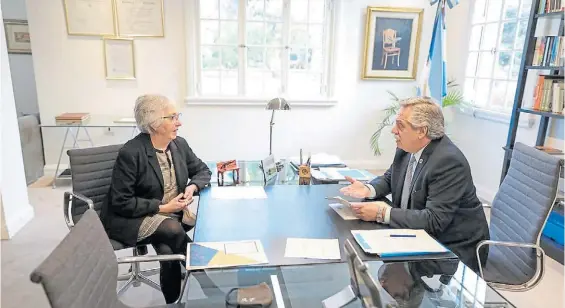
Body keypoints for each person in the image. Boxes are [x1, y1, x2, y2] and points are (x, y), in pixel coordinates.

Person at [340, 96, 489, 272]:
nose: (393, 131)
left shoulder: (448, 161)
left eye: (401, 125)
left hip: (452, 249)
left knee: (379, 269)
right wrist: (368, 189)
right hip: (419, 236)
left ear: (421, 131)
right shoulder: (407, 149)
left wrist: (382, 213)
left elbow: (434, 220)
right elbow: (390, 177)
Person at [101, 94, 212, 303]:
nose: (179, 122)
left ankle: (174, 302)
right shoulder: (131, 152)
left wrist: (192, 186)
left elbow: (203, 170)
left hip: (169, 216)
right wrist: (164, 207)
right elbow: (121, 201)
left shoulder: (179, 144)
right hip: (132, 217)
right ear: (154, 124)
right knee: (171, 230)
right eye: (172, 117)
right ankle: (207, 280)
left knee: (168, 251)